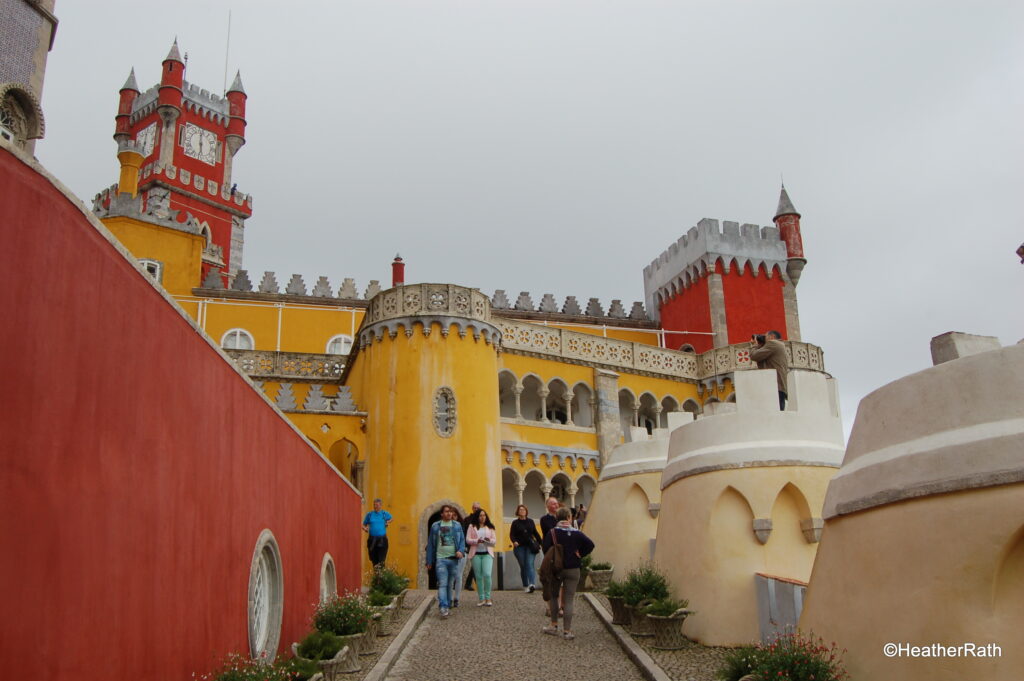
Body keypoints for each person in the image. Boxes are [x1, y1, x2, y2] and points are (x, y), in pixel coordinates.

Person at [542, 506, 594, 640]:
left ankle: (553, 625)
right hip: (573, 569)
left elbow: (546, 549)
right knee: (569, 599)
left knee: (554, 596)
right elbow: (590, 544)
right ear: (569, 518)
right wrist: (580, 554)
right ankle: (567, 631)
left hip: (556, 569)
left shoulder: (552, 533)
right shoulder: (577, 533)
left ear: (556, 518)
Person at [425, 504, 465, 618]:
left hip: (454, 559)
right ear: (442, 514)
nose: (449, 513)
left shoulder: (457, 525)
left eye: (450, 512)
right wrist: (429, 561)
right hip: (441, 559)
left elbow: (462, 540)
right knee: (442, 583)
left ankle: (447, 604)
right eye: (446, 511)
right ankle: (443, 607)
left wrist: (461, 551)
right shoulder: (435, 526)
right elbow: (431, 545)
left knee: (450, 584)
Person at [750, 330, 790, 411]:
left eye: (766, 336)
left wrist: (754, 345)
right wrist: (760, 345)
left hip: (775, 386)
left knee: (774, 413)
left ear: (772, 337)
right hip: (779, 386)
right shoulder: (780, 345)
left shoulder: (773, 343)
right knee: (778, 413)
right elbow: (762, 359)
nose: (764, 338)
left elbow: (754, 356)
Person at [466, 509, 497, 606]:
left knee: (487, 574)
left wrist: (489, 540)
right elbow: (468, 540)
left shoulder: (490, 527)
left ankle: (488, 597)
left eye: (484, 515)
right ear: (477, 517)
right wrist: (476, 541)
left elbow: (494, 541)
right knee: (478, 577)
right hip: (476, 554)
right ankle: (481, 598)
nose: (482, 517)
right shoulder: (472, 526)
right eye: (480, 515)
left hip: (487, 553)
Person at [509, 503, 541, 593]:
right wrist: (514, 541)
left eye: (523, 510)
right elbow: (511, 534)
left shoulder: (530, 521)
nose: (522, 511)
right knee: (523, 566)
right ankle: (525, 585)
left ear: (526, 511)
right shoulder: (515, 523)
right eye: (520, 510)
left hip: (530, 546)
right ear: (518, 512)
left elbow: (535, 533)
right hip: (519, 547)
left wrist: (540, 543)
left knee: (529, 564)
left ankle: (532, 584)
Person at [362, 498, 392, 567]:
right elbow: (363, 524)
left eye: (377, 505)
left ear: (381, 505)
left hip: (382, 539)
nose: (375, 506)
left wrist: (387, 522)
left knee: (381, 560)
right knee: (373, 559)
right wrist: (365, 528)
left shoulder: (384, 514)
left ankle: (381, 575)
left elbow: (391, 518)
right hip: (372, 540)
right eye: (374, 505)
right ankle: (377, 574)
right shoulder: (369, 515)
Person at [463, 501, 481, 592]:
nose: (476, 509)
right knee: (476, 563)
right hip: (471, 544)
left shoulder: (482, 519)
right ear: (472, 508)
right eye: (475, 508)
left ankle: (468, 583)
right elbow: (464, 532)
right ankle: (478, 584)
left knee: (475, 564)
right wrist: (465, 545)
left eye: (478, 508)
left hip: (481, 545)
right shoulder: (467, 519)